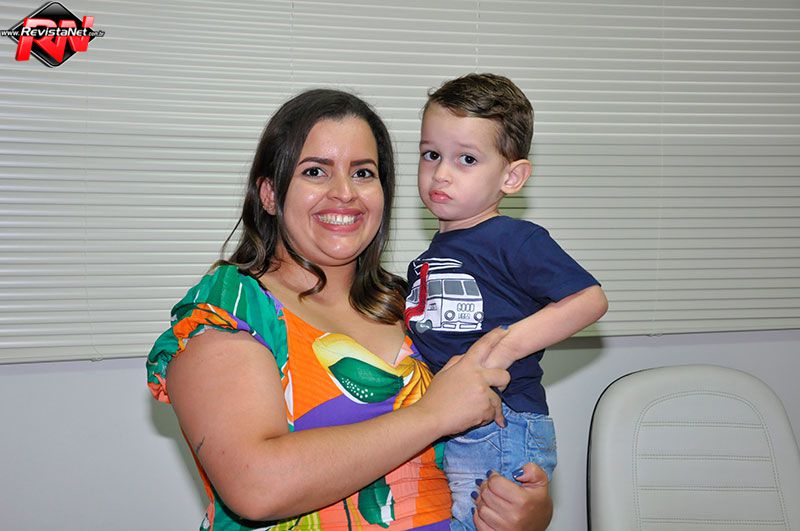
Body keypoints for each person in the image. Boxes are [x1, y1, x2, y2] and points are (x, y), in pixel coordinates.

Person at [146, 88, 553, 531]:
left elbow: (482, 450)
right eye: (315, 171)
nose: (344, 193)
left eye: (362, 173)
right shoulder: (231, 308)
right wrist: (431, 415)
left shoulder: (412, 305)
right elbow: (256, 487)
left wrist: (523, 512)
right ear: (269, 193)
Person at [404, 73, 608, 530]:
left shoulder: (513, 239)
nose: (441, 173)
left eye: (467, 159)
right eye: (431, 154)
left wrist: (504, 348)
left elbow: (589, 299)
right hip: (456, 420)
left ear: (511, 177)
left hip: (501, 419)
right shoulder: (429, 259)